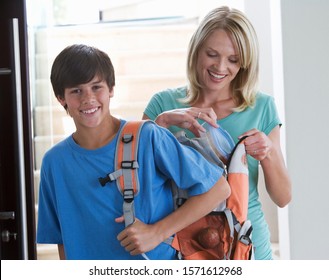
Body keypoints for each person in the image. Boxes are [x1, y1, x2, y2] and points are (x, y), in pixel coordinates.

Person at [36, 44, 230, 260]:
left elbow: (219, 189)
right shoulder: (54, 163)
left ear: (111, 89)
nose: (88, 98)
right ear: (61, 98)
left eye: (96, 87)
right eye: (76, 91)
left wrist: (157, 232)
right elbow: (62, 240)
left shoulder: (148, 137)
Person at [143, 6, 292, 260]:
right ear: (196, 51)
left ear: (245, 63)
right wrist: (162, 123)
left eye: (233, 60)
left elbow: (282, 197)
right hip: (181, 249)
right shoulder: (163, 104)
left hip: (247, 248)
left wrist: (267, 151)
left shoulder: (262, 107)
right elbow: (141, 184)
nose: (221, 67)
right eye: (211, 54)